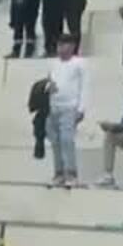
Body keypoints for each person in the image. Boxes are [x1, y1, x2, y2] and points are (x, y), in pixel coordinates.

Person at [44, 36, 90, 188]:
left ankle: (71, 173)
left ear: (72, 46)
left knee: (67, 140)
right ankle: (59, 173)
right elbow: (48, 83)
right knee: (55, 141)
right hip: (53, 107)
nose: (61, 48)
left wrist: (81, 108)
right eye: (59, 45)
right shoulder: (53, 64)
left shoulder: (79, 64)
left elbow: (84, 86)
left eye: (64, 45)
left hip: (70, 107)